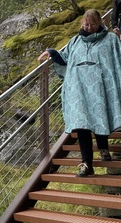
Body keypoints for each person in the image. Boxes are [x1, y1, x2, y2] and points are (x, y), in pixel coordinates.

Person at [37, 9, 121, 177]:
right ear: (82, 24)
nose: (89, 28)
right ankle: (86, 164)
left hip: (100, 89)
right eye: (86, 24)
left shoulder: (110, 39)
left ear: (100, 23)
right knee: (82, 124)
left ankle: (103, 148)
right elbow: (64, 57)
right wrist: (51, 52)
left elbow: (118, 59)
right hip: (79, 89)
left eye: (93, 24)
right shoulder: (75, 41)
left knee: (99, 117)